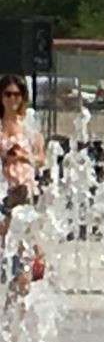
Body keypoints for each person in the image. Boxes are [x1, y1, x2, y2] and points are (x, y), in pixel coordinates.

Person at [0, 74, 46, 291]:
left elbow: (41, 158)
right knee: (6, 240)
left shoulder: (29, 128)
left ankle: (21, 286)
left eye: (17, 94)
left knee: (22, 241)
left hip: (24, 189)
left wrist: (24, 157)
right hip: (3, 188)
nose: (12, 99)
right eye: (8, 94)